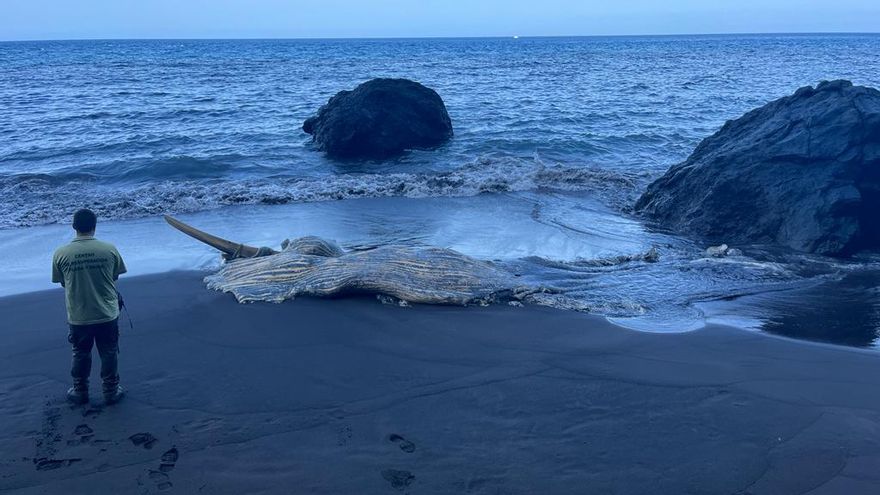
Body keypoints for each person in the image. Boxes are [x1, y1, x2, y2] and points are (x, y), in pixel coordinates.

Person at [52, 208, 127, 405]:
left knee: (80, 352)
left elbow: (62, 282)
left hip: (79, 314)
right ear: (94, 226)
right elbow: (115, 276)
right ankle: (110, 390)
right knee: (109, 351)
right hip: (106, 312)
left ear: (74, 227)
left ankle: (80, 390)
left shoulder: (61, 253)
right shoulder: (109, 249)